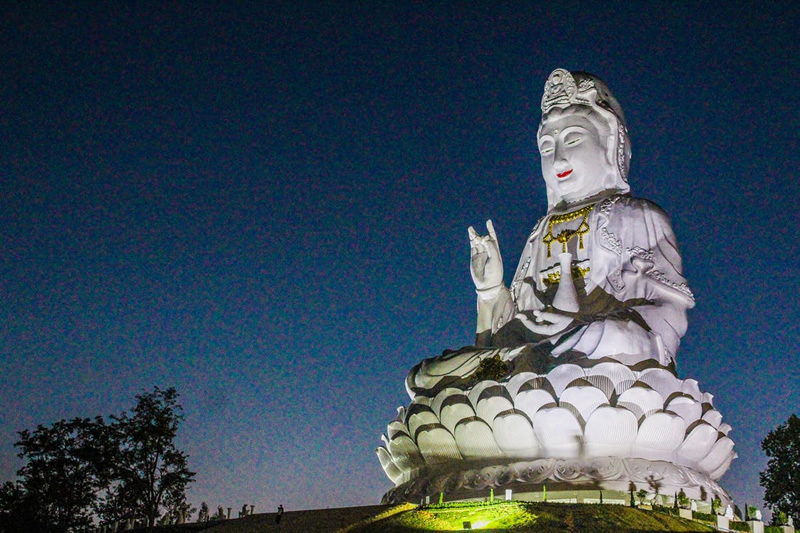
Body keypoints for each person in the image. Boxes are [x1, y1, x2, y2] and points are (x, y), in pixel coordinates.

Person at [409, 69, 694, 394]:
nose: (558, 159)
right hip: (533, 351)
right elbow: (513, 323)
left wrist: (589, 325)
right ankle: (528, 371)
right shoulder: (540, 230)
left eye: (573, 140)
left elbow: (668, 312)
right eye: (547, 147)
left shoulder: (636, 215)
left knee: (615, 340)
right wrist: (490, 291)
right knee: (425, 375)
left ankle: (530, 373)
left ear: (608, 144)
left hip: (592, 346)